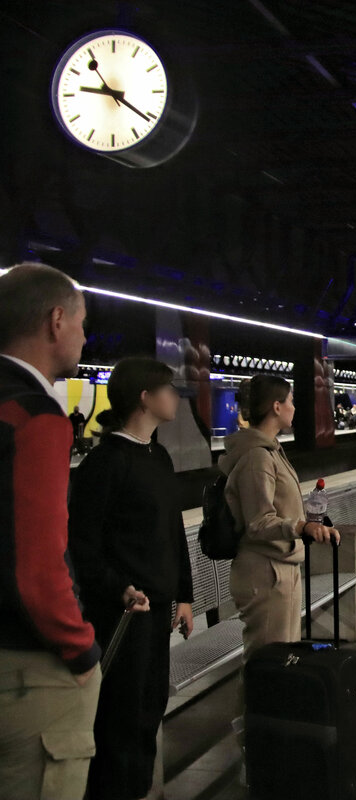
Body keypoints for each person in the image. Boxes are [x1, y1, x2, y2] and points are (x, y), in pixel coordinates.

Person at [68, 357, 193, 800]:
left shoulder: (158, 456)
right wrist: (117, 586)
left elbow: (173, 531)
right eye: (168, 389)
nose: (175, 397)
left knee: (149, 708)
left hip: (156, 612)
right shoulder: (105, 463)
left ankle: (138, 791)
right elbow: (83, 545)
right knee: (119, 715)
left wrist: (184, 595)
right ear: (145, 397)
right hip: (121, 614)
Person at [0, 263, 102, 800]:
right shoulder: (35, 416)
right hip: (28, 670)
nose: (84, 337)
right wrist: (80, 650)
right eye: (82, 324)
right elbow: (39, 566)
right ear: (56, 321)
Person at [218, 375, 339, 658]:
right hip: (266, 573)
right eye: (290, 401)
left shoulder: (271, 451)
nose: (294, 408)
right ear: (276, 406)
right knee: (268, 664)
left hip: (279, 566)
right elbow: (259, 522)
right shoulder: (257, 457)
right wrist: (301, 526)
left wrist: (307, 519)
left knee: (281, 662)